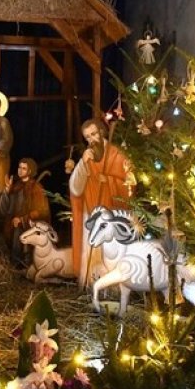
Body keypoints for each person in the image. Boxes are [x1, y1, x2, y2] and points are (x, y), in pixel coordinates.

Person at [68, 118, 133, 288]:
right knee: (92, 253)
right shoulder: (87, 157)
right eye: (87, 137)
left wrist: (110, 180)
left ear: (102, 132)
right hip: (91, 213)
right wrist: (83, 164)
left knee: (111, 255)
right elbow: (75, 188)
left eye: (93, 134)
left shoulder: (116, 155)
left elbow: (130, 184)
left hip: (112, 217)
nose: (91, 139)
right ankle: (91, 286)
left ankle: (114, 288)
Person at [0, 158, 51, 268]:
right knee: (13, 249)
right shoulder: (16, 186)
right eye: (19, 167)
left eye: (24, 168)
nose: (20, 170)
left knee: (24, 250)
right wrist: (7, 190)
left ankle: (25, 267)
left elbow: (41, 210)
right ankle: (15, 267)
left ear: (30, 171)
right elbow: (7, 208)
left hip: (28, 225)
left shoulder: (36, 187)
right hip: (13, 224)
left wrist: (22, 219)